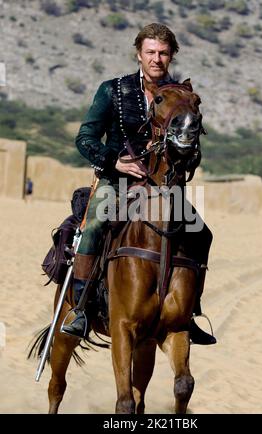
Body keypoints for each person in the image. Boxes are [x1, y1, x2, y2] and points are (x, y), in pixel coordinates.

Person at [61, 23, 216, 345]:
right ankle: (80, 309)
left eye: (163, 53)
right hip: (116, 180)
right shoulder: (112, 90)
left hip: (163, 186)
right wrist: (112, 160)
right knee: (94, 226)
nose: (156, 58)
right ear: (139, 54)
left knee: (201, 232)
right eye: (150, 52)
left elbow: (189, 143)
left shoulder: (180, 95)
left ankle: (189, 311)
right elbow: (85, 136)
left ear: (171, 56)